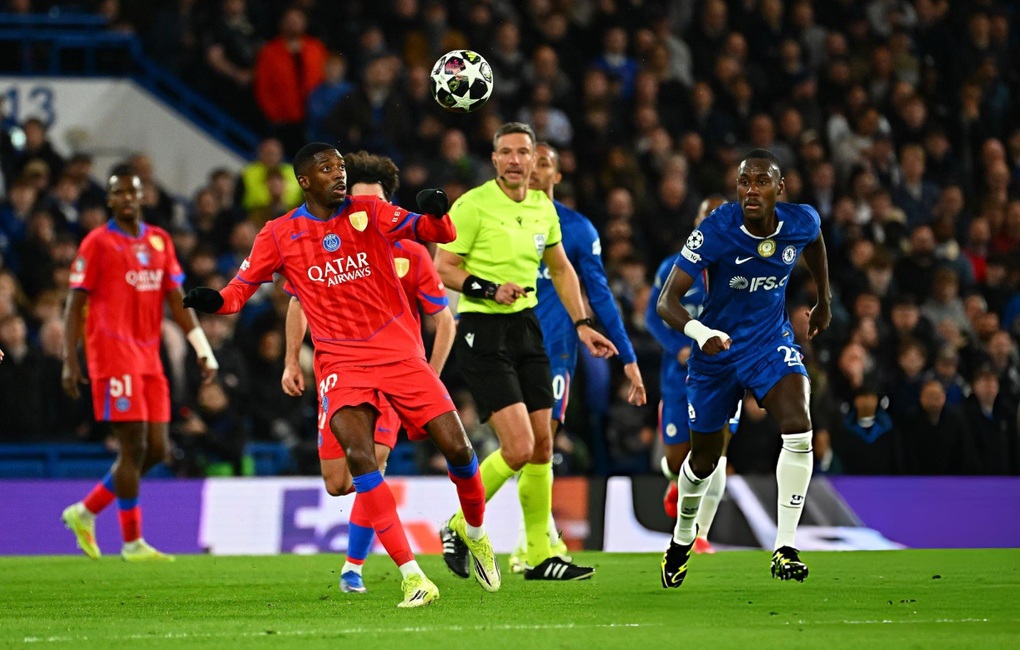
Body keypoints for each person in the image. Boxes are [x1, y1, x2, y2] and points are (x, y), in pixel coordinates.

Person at [183, 143, 498, 608]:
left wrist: (437, 211)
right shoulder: (279, 233)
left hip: (399, 355)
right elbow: (237, 292)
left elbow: (436, 230)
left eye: (340, 167)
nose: (339, 174)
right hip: (341, 363)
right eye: (327, 168)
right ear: (304, 181)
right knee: (359, 459)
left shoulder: (370, 211)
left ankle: (474, 532)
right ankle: (412, 576)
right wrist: (215, 301)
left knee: (459, 447)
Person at [436, 123, 618, 582]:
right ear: (494, 159)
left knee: (541, 445)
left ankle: (540, 555)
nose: (516, 160)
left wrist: (582, 325)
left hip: (528, 329)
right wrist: (489, 287)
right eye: (506, 152)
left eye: (524, 152)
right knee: (516, 447)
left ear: (536, 159)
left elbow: (561, 269)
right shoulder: (473, 205)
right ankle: (459, 524)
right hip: (482, 330)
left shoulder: (542, 209)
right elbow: (444, 268)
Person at [280, 151, 456, 594]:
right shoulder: (320, 246)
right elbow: (298, 300)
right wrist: (289, 360)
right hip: (340, 368)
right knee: (338, 483)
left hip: (396, 372)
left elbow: (445, 320)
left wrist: (429, 378)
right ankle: (359, 565)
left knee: (372, 462)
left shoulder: (411, 253)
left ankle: (354, 567)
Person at [655, 149, 831, 587]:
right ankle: (681, 539)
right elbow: (665, 303)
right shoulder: (715, 229)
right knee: (704, 460)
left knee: (799, 425)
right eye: (744, 182)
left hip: (769, 345)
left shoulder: (801, 220)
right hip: (715, 355)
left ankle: (785, 547)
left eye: (761, 181)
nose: (751, 190)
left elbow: (816, 243)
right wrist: (700, 334)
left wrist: (823, 299)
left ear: (780, 187)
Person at [60, 173, 219, 562]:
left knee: (158, 448)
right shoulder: (97, 243)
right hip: (112, 355)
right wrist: (69, 358)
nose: (127, 198)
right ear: (110, 200)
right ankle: (132, 542)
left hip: (149, 357)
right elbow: (74, 304)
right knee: (132, 447)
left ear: (142, 196)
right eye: (118, 192)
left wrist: (201, 347)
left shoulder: (160, 240)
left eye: (132, 191)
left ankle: (84, 512)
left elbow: (175, 297)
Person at [505, 142, 647, 573]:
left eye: (544, 163)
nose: (533, 169)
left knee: (537, 446)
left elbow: (600, 297)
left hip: (554, 354)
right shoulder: (499, 219)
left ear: (557, 176)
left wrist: (626, 354)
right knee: (523, 448)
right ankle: (524, 538)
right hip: (505, 347)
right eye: (530, 161)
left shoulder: (578, 230)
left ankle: (532, 543)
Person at [647, 195, 740, 555]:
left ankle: (699, 534)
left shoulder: (744, 268)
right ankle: (676, 483)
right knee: (676, 462)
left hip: (725, 374)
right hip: (680, 374)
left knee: (716, 453)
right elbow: (654, 316)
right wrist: (679, 346)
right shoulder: (676, 266)